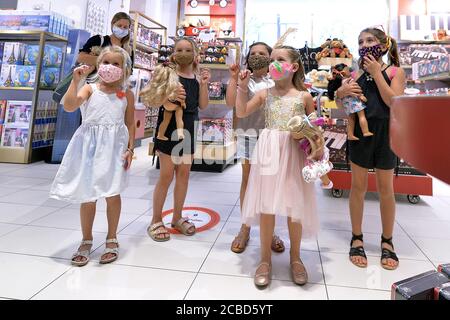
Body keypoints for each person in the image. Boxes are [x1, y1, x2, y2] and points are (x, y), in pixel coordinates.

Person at [236, 45, 319, 287]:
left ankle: (296, 258)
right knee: (267, 206)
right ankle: (264, 260)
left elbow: (314, 128)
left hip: (294, 152)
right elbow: (241, 111)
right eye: (271, 60)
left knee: (295, 206)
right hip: (269, 150)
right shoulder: (265, 94)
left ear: (293, 67)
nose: (273, 64)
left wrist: (314, 144)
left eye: (279, 60)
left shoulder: (304, 97)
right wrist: (242, 86)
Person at [49, 46, 135, 266]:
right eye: (107, 62)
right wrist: (75, 81)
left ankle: (112, 238)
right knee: (88, 194)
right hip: (88, 149)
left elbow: (129, 123)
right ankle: (86, 240)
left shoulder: (126, 94)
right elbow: (69, 106)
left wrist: (130, 148)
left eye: (117, 64)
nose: (111, 68)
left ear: (125, 69)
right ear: (99, 64)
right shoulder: (89, 89)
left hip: (115, 150)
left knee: (113, 193)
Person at [335, 27, 405, 270]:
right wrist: (340, 91)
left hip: (387, 134)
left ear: (384, 45)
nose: (365, 45)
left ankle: (387, 242)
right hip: (360, 137)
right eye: (361, 42)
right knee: (358, 187)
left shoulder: (396, 72)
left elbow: (392, 102)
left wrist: (376, 73)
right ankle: (357, 237)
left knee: (386, 189)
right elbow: (342, 103)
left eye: (370, 40)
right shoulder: (356, 74)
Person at [143, 38, 211, 241]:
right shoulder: (168, 75)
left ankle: (177, 217)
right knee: (166, 175)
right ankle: (156, 219)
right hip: (169, 127)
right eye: (179, 49)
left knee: (183, 175)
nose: (183, 53)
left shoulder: (198, 79)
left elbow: (203, 105)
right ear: (173, 53)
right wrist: (169, 98)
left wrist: (205, 85)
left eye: (188, 49)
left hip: (189, 127)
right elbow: (154, 100)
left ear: (195, 53)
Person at [225, 42, 285, 254]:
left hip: (273, 137)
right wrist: (235, 80)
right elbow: (230, 101)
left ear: (270, 57)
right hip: (248, 135)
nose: (257, 56)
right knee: (248, 180)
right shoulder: (244, 78)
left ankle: (270, 230)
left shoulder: (277, 79)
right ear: (247, 57)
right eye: (253, 53)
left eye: (262, 53)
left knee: (270, 183)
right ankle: (245, 227)